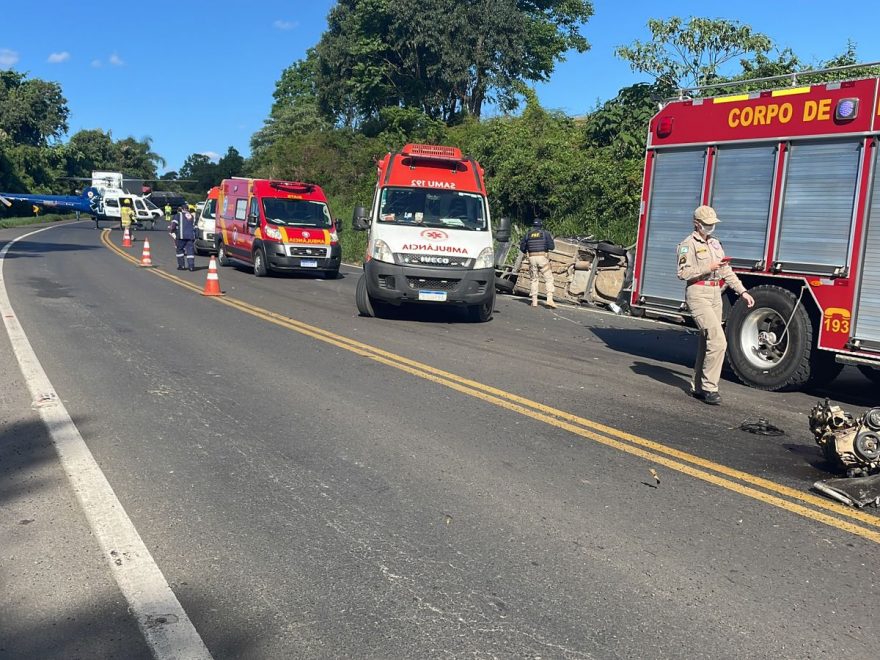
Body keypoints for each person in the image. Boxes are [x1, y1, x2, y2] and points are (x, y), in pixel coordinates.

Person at [677, 205, 755, 405]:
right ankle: (710, 388)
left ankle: (698, 386)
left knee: (707, 341)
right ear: (697, 224)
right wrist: (707, 267)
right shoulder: (687, 245)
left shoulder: (715, 244)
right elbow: (683, 273)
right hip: (698, 293)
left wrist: (743, 291)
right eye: (707, 224)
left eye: (712, 224)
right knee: (718, 341)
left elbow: (726, 271)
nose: (711, 228)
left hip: (715, 294)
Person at [519, 218, 556, 309]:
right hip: (542, 258)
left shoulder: (528, 234)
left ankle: (534, 301)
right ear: (541, 225)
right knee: (548, 278)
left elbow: (522, 247)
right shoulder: (545, 234)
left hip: (531, 258)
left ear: (533, 226)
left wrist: (527, 250)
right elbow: (552, 247)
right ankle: (549, 299)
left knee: (534, 279)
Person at [169, 204, 197, 271]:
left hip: (181, 236)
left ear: (182, 209)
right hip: (190, 237)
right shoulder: (192, 216)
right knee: (190, 251)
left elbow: (173, 225)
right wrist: (196, 236)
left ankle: (182, 266)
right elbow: (196, 227)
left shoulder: (178, 215)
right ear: (188, 209)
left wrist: (172, 231)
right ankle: (191, 267)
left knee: (180, 250)